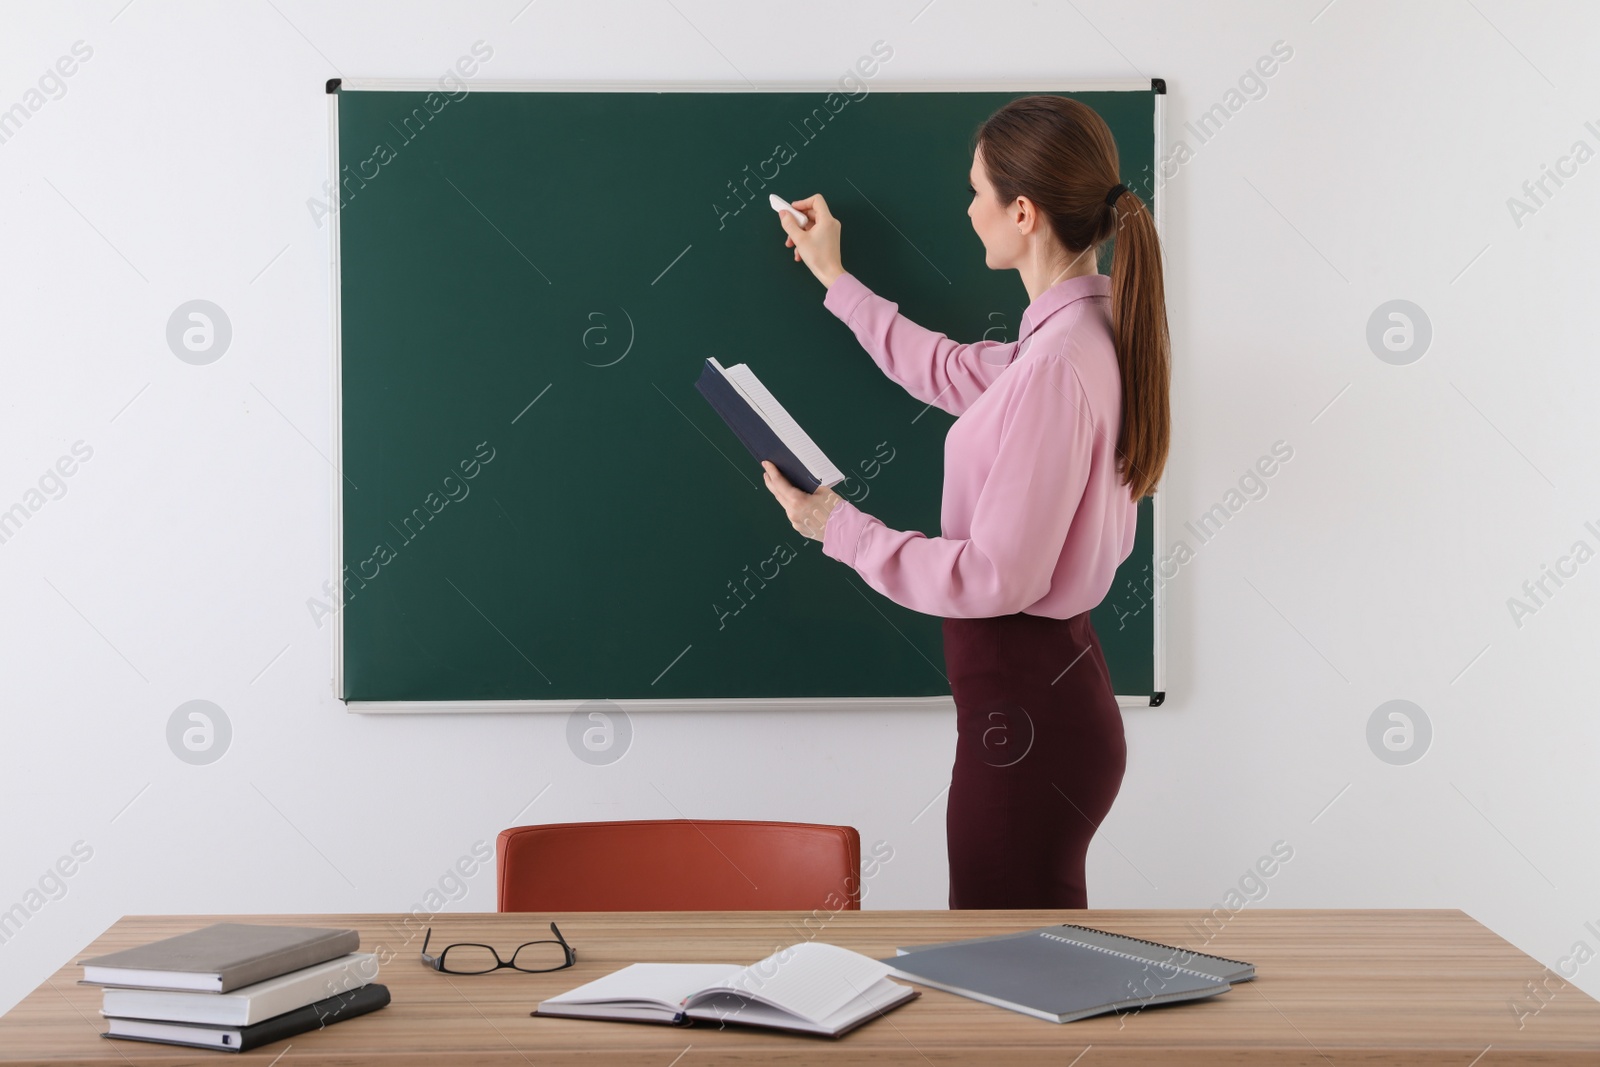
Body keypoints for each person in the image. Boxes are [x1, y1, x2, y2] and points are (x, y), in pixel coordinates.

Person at [761, 94, 1171, 909]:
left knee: (1002, 975)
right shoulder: (1075, 337)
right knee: (1018, 973)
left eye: (978, 191)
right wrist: (835, 277)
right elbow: (948, 369)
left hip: (1027, 718)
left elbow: (997, 577)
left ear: (1023, 212)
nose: (968, 208)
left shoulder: (1058, 362)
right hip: (1043, 706)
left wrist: (835, 525)